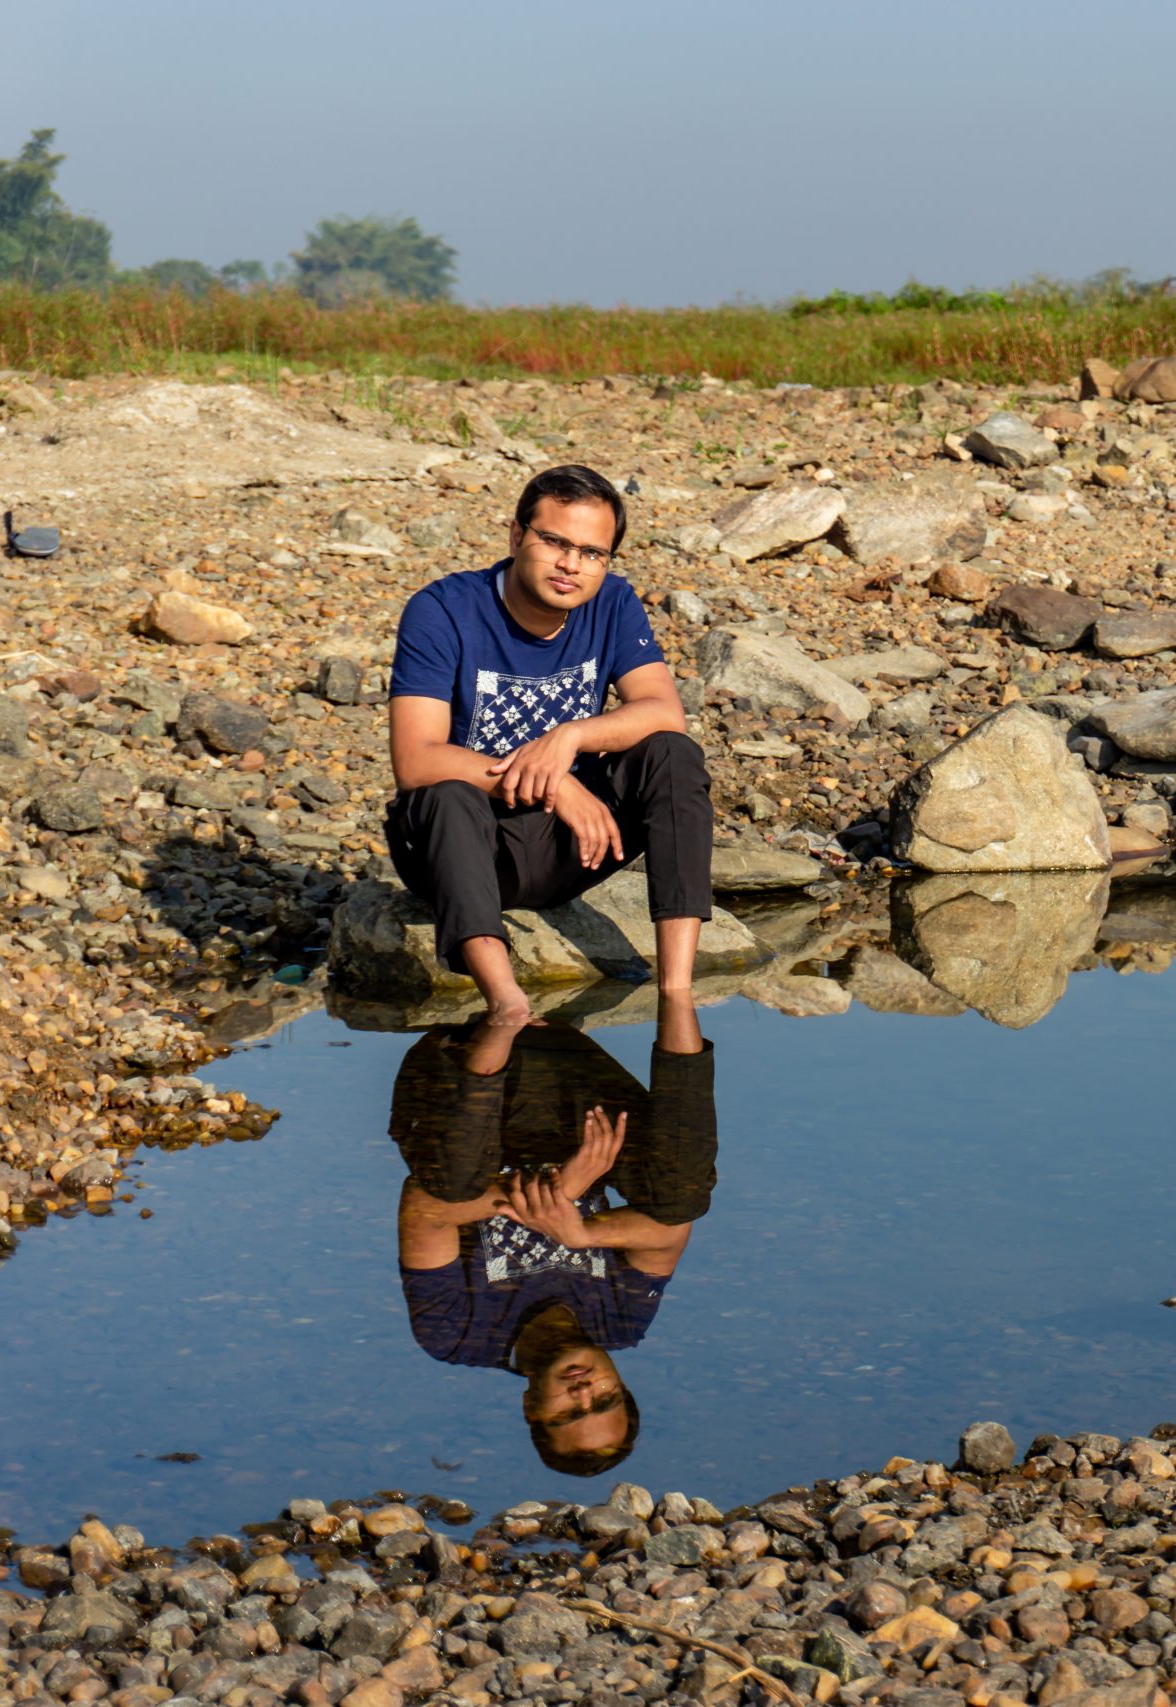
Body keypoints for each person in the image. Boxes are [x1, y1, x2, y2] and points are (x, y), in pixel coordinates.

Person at [385, 465, 711, 1020]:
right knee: (443, 795)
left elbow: (664, 712)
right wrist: (557, 787)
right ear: (516, 536)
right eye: (554, 542)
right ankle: (506, 1002)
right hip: (470, 848)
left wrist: (571, 736)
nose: (571, 565)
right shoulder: (443, 610)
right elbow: (415, 760)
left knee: (672, 755)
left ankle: (676, 994)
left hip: (572, 847)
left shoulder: (612, 603)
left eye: (592, 553)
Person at [390, 994, 716, 1476]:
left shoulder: (456, 1335)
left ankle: (501, 1020)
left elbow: (423, 1209)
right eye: (605, 1400)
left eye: (569, 1413)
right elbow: (670, 1231)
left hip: (465, 1084)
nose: (585, 1392)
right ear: (620, 1385)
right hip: (571, 1090)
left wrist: (565, 1187)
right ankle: (677, 985)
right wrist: (580, 1232)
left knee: (454, 1182)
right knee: (683, 1192)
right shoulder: (622, 1322)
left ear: (531, 1410)